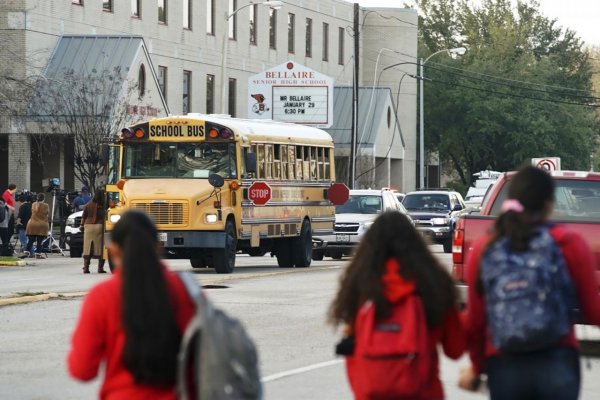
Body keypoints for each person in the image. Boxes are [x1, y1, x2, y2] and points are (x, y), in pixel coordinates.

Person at [459, 166, 600, 399]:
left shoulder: (485, 247)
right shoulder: (569, 243)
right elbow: (594, 312)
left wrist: (477, 367)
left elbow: (476, 320)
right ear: (548, 204)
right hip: (557, 360)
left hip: (505, 363)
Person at [329, 211, 465, 399]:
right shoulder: (433, 283)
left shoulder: (360, 284)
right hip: (423, 392)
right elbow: (455, 349)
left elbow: (351, 348)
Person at [67, 210, 195, 399]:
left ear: (114, 249)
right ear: (158, 246)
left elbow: (82, 370)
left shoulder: (101, 296)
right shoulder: (185, 290)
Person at [81, 189, 106, 273]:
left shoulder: (88, 204)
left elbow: (83, 216)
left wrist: (81, 226)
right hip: (99, 226)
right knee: (101, 247)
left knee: (88, 247)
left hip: (88, 226)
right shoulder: (104, 204)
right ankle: (100, 268)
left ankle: (86, 267)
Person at [23, 193, 49, 259]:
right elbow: (47, 214)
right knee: (39, 241)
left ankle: (26, 252)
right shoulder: (46, 205)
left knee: (31, 240)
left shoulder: (34, 204)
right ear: (44, 199)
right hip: (42, 225)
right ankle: (38, 254)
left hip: (32, 224)